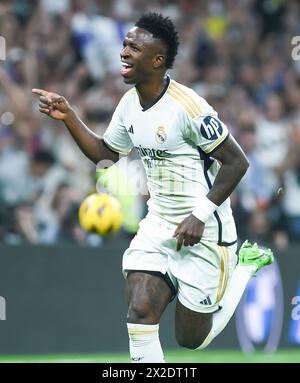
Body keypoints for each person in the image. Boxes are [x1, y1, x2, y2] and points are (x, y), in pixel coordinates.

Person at [32, 13, 274, 363]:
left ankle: (245, 267)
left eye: (134, 47)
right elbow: (105, 153)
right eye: (125, 44)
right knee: (140, 311)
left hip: (205, 231)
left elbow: (237, 162)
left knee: (192, 341)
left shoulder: (189, 107)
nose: (124, 53)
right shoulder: (129, 104)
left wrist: (199, 215)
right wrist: (70, 116)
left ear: (158, 60)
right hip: (159, 224)